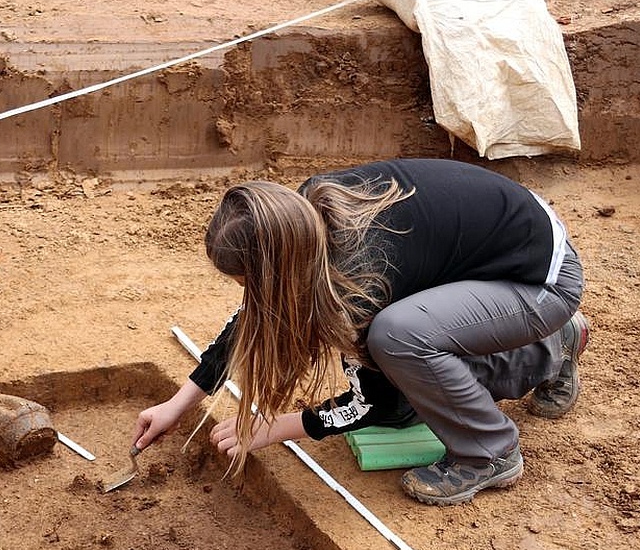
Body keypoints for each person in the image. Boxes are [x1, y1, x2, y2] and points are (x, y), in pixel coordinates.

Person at [132, 158, 589, 506]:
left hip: (539, 281)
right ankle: (554, 345)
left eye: (250, 282)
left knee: (398, 341)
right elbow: (257, 315)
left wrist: (274, 427)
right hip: (497, 256)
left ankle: (489, 452)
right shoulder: (298, 219)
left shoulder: (361, 280)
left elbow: (372, 404)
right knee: (409, 367)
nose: (250, 295)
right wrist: (179, 403)